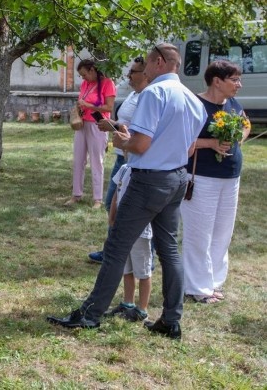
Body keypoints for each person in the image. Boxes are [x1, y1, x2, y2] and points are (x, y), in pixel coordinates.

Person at [47, 43, 206, 340]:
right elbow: (186, 145)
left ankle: (91, 315)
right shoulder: (193, 99)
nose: (143, 71)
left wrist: (121, 142)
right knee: (170, 251)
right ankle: (171, 319)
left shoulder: (154, 93)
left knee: (116, 247)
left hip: (149, 180)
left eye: (145, 64)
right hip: (176, 178)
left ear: (159, 63)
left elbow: (141, 145)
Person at [181, 60, 250, 304]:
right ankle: (197, 288)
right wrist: (210, 143)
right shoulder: (196, 104)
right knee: (199, 233)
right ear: (217, 81)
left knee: (223, 233)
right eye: (235, 80)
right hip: (201, 177)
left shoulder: (231, 103)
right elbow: (182, 140)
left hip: (230, 178)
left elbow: (245, 124)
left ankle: (213, 283)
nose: (239, 85)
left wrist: (237, 137)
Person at [88, 56, 149, 263]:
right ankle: (115, 249)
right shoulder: (133, 95)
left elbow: (138, 133)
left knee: (118, 207)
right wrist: (111, 125)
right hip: (120, 157)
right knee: (111, 205)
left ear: (146, 74)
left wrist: (115, 127)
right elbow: (123, 125)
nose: (129, 75)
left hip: (132, 159)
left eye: (133, 71)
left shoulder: (147, 98)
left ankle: (117, 252)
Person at [103, 164, 153, 322]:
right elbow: (116, 195)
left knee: (143, 271)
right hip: (122, 227)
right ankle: (128, 303)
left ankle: (142, 309)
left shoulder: (148, 171)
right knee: (126, 268)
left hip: (140, 231)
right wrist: (112, 217)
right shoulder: (125, 168)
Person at [66, 58, 116, 208]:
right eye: (81, 76)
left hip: (98, 125)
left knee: (97, 161)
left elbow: (109, 108)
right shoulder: (85, 84)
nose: (83, 78)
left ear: (93, 70)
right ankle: (76, 194)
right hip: (82, 124)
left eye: (84, 74)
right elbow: (81, 100)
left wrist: (88, 105)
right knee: (78, 160)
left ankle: (98, 199)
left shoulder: (108, 83)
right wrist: (80, 108)